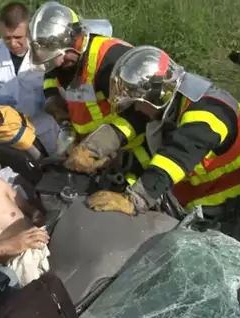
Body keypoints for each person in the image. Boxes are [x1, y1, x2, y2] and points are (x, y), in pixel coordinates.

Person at [85, 46, 240, 266]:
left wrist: (134, 199)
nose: (136, 109)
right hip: (207, 200)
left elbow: (178, 154)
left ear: (155, 95)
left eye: (137, 103)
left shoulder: (207, 113)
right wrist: (123, 174)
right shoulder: (175, 105)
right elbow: (158, 154)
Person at [29, 1, 151, 183]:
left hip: (131, 151)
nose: (58, 62)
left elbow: (142, 113)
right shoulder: (63, 57)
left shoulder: (111, 60)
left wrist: (100, 145)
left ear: (76, 39)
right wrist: (53, 100)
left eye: (60, 55)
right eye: (53, 58)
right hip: (89, 151)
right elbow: (50, 77)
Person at [0, 2, 59, 156]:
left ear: (28, 30)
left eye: (18, 37)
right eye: (7, 38)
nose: (13, 44)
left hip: (43, 131)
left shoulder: (46, 53)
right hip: (5, 135)